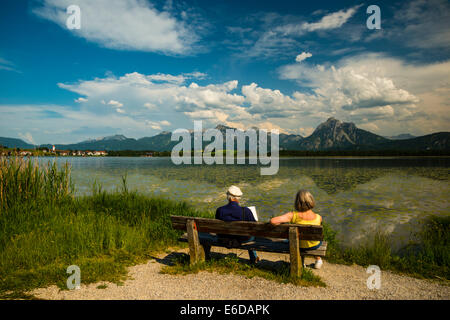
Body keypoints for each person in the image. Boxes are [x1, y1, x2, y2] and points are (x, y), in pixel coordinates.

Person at [270, 190, 323, 269]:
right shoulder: (319, 217)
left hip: (298, 245)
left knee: (295, 239)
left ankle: (301, 263)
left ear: (297, 202)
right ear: (311, 201)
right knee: (314, 240)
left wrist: (283, 224)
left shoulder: (292, 215)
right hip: (314, 245)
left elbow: (273, 221)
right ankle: (318, 259)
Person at [215, 185, 260, 264]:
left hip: (225, 238)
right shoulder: (246, 211)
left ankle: (206, 256)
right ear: (238, 198)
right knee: (251, 234)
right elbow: (254, 227)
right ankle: (254, 259)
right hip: (242, 239)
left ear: (229, 197)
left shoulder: (220, 210)